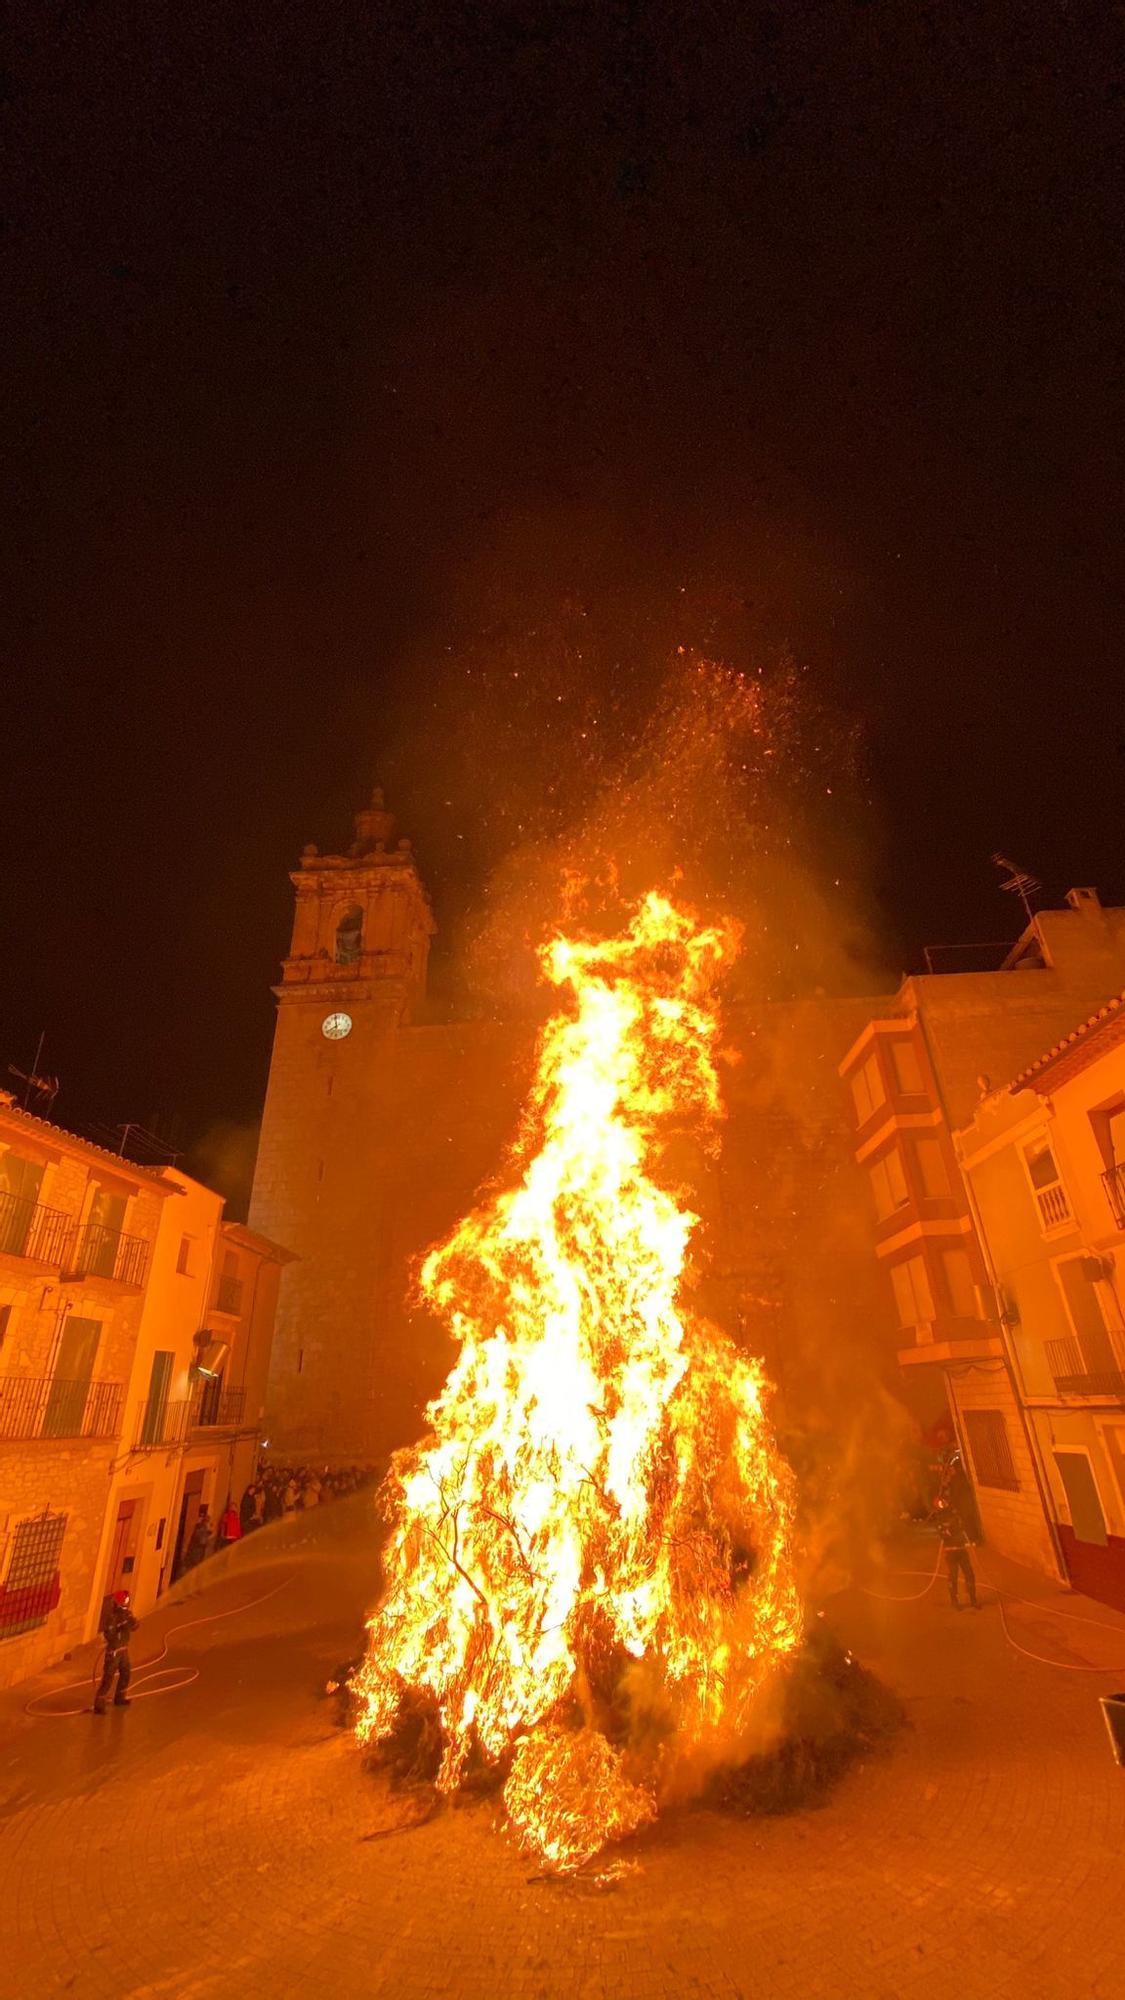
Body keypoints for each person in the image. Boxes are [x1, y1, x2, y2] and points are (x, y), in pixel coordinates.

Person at [93, 1589, 137, 1712]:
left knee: (126, 1674)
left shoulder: (127, 1614)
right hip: (114, 1652)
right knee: (108, 1678)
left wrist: (133, 1623)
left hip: (124, 1650)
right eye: (124, 1601)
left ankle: (120, 1698)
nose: (126, 1603)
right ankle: (99, 1705)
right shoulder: (112, 1617)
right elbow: (108, 1634)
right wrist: (119, 1627)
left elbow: (135, 1627)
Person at [933, 1496, 979, 1609]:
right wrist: (951, 1529)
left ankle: (973, 1600)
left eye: (945, 1502)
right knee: (953, 1576)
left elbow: (964, 1528)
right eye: (941, 1503)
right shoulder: (940, 1519)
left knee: (969, 1574)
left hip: (961, 1550)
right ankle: (955, 1601)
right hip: (951, 1552)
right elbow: (944, 1534)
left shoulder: (955, 1515)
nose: (944, 1504)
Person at [183, 1505, 213, 1571]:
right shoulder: (201, 1527)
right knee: (193, 1566)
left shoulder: (200, 1527)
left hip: (196, 1550)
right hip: (197, 1551)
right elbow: (202, 1540)